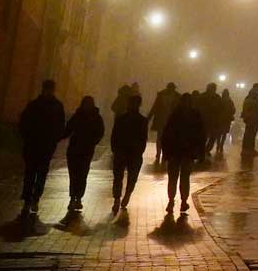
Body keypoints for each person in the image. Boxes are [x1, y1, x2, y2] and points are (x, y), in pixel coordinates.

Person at [17, 79, 66, 220]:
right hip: (40, 145)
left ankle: (32, 199)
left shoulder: (35, 105)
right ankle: (31, 200)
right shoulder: (55, 106)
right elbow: (60, 127)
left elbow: (24, 123)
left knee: (34, 173)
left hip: (38, 145)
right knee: (34, 173)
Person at [158, 88, 206, 220]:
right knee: (183, 178)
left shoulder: (175, 115)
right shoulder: (194, 115)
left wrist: (165, 153)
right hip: (185, 152)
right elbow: (201, 135)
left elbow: (166, 134)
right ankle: (181, 201)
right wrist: (201, 152)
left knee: (175, 178)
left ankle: (173, 201)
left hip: (177, 152)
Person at [61, 95, 105, 219]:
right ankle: (73, 197)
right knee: (75, 174)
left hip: (84, 149)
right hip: (76, 149)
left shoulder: (93, 117)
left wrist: (93, 141)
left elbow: (100, 132)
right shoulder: (82, 116)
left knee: (82, 174)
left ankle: (77, 197)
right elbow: (68, 129)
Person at [108, 88, 146, 219]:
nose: (133, 106)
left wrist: (139, 150)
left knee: (130, 178)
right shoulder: (123, 119)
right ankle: (118, 199)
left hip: (132, 153)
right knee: (119, 177)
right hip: (124, 152)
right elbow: (115, 135)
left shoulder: (140, 120)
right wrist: (115, 149)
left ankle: (126, 195)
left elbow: (143, 138)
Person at [150, 81, 180, 164]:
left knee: (164, 138)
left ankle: (161, 153)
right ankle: (160, 153)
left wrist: (149, 117)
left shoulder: (175, 96)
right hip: (163, 120)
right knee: (162, 138)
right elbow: (155, 107)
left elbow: (154, 107)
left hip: (169, 121)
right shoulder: (174, 96)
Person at [239, 82, 258, 157]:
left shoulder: (254, 96)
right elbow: (249, 106)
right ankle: (247, 150)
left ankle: (250, 149)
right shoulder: (253, 96)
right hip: (252, 118)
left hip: (253, 118)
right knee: (249, 134)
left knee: (251, 134)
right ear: (255, 88)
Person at [214, 87, 236, 156]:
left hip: (220, 119)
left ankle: (218, 144)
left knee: (219, 133)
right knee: (224, 133)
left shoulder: (220, 100)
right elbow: (233, 110)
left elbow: (216, 109)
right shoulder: (230, 101)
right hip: (227, 120)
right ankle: (221, 145)